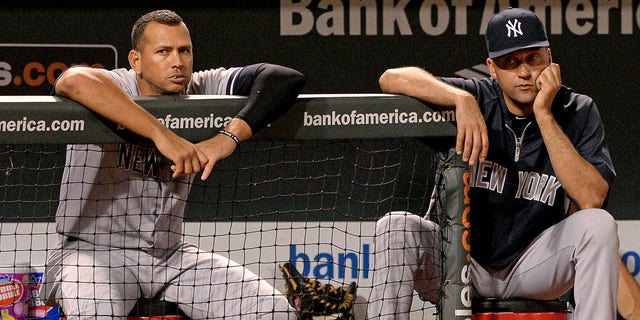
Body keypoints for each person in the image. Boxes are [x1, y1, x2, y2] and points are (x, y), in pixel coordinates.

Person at [43, 9, 306, 320]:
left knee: (275, 312)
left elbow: (284, 79)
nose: (177, 61)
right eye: (163, 52)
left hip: (170, 256)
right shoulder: (117, 86)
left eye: (184, 51)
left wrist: (228, 138)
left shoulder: (201, 87)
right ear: (136, 61)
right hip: (91, 253)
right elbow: (72, 80)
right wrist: (161, 135)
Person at [367, 7, 618, 320]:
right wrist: (460, 99)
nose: (523, 72)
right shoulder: (476, 98)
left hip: (533, 267)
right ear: (492, 68)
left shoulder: (576, 110)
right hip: (460, 262)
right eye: (509, 62)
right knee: (395, 227)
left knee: (598, 225)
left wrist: (544, 114)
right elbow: (390, 79)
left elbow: (592, 198)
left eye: (532, 59)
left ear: (549, 59)